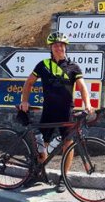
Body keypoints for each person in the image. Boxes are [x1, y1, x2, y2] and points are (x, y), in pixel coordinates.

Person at [19, 31, 93, 193]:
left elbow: (82, 87)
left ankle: (63, 178)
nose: (58, 48)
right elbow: (29, 83)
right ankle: (39, 172)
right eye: (55, 45)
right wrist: (24, 100)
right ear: (51, 48)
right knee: (42, 145)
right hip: (49, 111)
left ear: (65, 47)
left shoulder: (73, 67)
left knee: (68, 144)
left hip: (66, 111)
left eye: (61, 45)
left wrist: (87, 103)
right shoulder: (43, 65)